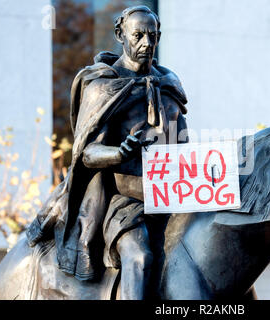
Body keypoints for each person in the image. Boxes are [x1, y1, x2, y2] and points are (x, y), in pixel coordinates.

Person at [26, 5, 188, 299]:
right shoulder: (103, 85)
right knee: (138, 257)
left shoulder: (169, 86)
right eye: (137, 35)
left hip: (172, 195)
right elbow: (87, 153)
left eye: (152, 36)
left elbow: (183, 143)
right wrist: (120, 152)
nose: (146, 44)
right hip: (123, 201)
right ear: (120, 35)